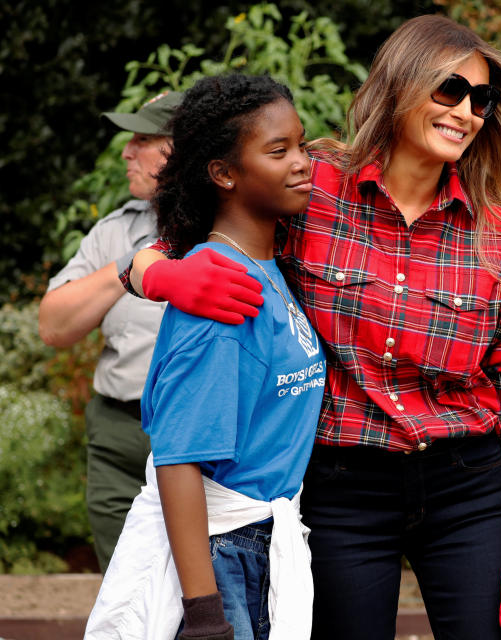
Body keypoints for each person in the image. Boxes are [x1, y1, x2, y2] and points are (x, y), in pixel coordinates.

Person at [123, 14, 501, 640]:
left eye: (481, 98)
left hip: (465, 488)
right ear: (401, 84)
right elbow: (177, 236)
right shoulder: (318, 184)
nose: (466, 111)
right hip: (344, 489)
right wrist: (152, 276)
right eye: (449, 89)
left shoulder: (495, 234)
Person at [85, 74, 325, 640]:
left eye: (301, 144)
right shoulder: (222, 290)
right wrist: (205, 614)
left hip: (261, 539)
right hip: (225, 557)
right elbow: (177, 458)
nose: (302, 162)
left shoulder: (266, 265)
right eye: (278, 150)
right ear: (223, 173)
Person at [38, 89, 182, 571]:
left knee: (206, 596)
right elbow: (53, 326)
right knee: (126, 592)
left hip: (196, 434)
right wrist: (128, 266)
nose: (126, 152)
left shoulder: (232, 227)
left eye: (142, 139)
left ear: (180, 149)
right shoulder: (114, 232)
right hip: (118, 437)